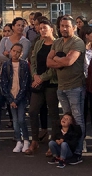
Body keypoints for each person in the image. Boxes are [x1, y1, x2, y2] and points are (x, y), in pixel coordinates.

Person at [47, 15, 86, 164]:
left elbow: (69, 61)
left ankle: (78, 152)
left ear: (74, 27)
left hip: (75, 87)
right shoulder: (56, 42)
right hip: (61, 87)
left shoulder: (78, 42)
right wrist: (59, 60)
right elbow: (48, 62)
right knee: (67, 120)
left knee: (78, 120)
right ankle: (66, 151)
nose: (64, 28)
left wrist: (57, 59)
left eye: (67, 26)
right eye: (62, 26)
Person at [27, 18, 59, 156]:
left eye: (45, 27)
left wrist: (41, 78)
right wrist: (35, 76)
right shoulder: (39, 43)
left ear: (51, 29)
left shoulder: (58, 44)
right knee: (33, 111)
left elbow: (55, 67)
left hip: (52, 83)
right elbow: (33, 61)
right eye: (40, 28)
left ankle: (53, 143)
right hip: (38, 83)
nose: (42, 30)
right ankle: (34, 141)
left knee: (53, 114)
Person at [1, 42, 30, 153]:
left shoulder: (24, 65)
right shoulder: (6, 65)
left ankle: (26, 140)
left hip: (21, 97)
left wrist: (17, 99)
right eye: (14, 51)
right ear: (10, 51)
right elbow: (3, 83)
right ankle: (19, 140)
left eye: (18, 52)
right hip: (11, 97)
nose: (15, 53)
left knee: (22, 119)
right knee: (15, 121)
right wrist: (10, 99)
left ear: (21, 53)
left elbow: (25, 83)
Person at [80, 25, 92, 154]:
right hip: (82, 83)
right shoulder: (79, 47)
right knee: (82, 113)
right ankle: (82, 140)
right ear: (86, 35)